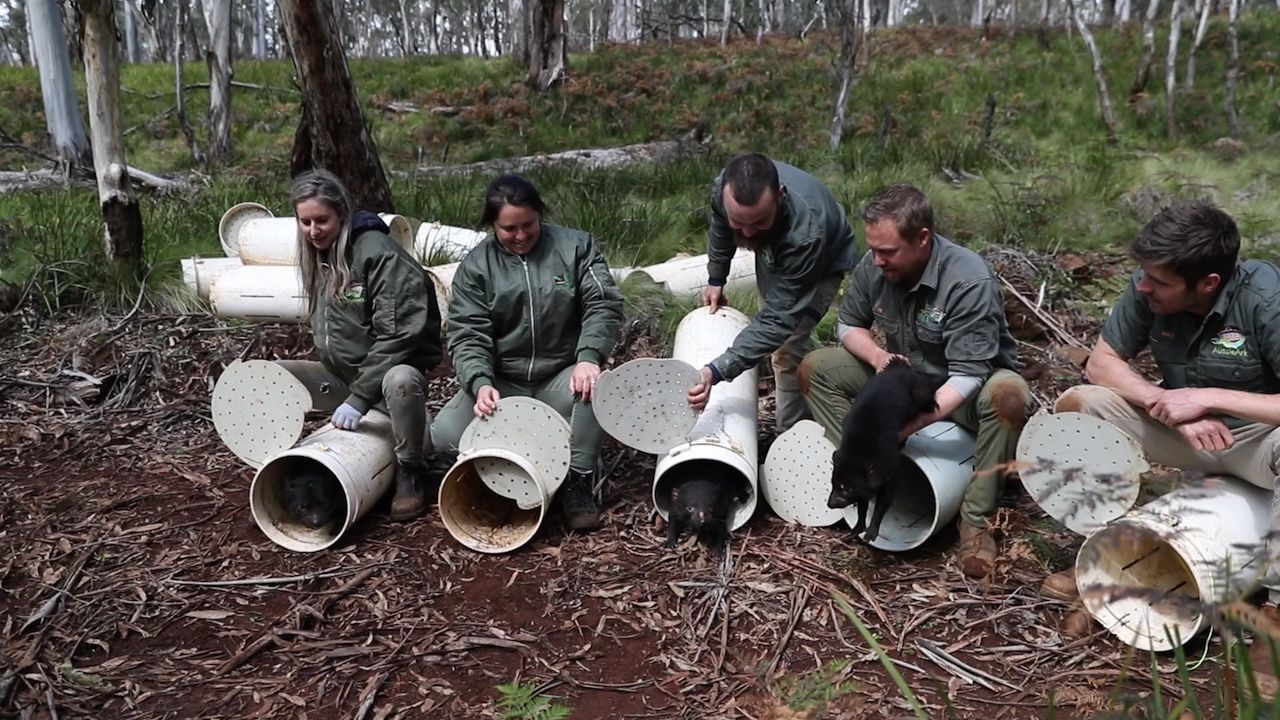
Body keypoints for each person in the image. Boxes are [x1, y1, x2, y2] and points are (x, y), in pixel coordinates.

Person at [1042, 200, 1280, 602]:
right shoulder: (1149, 284)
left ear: (1208, 282)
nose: (1143, 286)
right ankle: (1098, 548)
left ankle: (1276, 606)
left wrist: (1205, 397)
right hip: (1184, 436)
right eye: (1145, 274)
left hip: (1259, 444)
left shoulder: (1265, 299)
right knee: (1081, 404)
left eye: (1160, 281)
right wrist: (1168, 404)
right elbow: (1101, 364)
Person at [799, 184, 1036, 579]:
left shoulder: (966, 279)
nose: (876, 261)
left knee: (1008, 396)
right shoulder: (875, 266)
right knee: (816, 368)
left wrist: (904, 428)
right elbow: (848, 324)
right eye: (873, 249)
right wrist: (877, 357)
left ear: (922, 238)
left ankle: (976, 521)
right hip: (903, 385)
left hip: (965, 391)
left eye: (887, 252)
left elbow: (969, 374)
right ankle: (862, 477)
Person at [429, 175, 625, 531]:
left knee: (600, 388)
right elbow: (467, 332)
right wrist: (479, 382)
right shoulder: (477, 266)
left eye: (528, 225)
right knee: (443, 435)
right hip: (505, 382)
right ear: (492, 226)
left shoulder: (575, 247)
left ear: (540, 215)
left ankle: (577, 480)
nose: (520, 236)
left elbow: (603, 305)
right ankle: (522, 456)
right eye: (509, 229)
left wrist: (589, 356)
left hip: (560, 375)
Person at [279, 169, 443, 522]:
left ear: (342, 213)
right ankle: (285, 473)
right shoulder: (317, 252)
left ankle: (410, 470)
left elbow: (399, 335)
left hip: (383, 381)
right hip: (343, 375)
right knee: (263, 378)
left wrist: (359, 398)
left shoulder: (377, 253)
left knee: (402, 380)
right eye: (304, 222)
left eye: (321, 220)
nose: (313, 230)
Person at [686, 153, 860, 432]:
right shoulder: (724, 190)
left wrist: (716, 371)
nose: (749, 233)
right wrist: (716, 278)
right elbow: (721, 228)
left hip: (824, 261)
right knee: (769, 332)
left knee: (786, 347)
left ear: (780, 196)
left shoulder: (805, 234)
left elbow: (779, 319)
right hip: (780, 250)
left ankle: (791, 434)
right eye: (739, 223)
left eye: (758, 222)